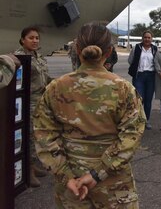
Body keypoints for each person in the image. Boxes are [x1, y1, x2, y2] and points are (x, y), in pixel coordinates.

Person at [33, 23, 145, 208]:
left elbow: (43, 134)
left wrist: (66, 176)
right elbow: (131, 136)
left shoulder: (56, 87)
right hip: (113, 183)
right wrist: (97, 174)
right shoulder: (123, 88)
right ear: (109, 52)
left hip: (72, 184)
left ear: (77, 50)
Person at [15, 26, 52, 187]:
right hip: (28, 102)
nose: (35, 40)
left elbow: (45, 77)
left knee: (38, 135)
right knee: (29, 135)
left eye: (37, 38)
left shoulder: (39, 56)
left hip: (41, 101)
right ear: (23, 40)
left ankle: (33, 165)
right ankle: (27, 170)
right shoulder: (19, 57)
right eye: (31, 38)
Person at [128, 30, 158, 130]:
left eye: (149, 38)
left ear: (152, 39)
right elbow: (130, 60)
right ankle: (137, 120)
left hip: (151, 76)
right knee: (139, 99)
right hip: (139, 76)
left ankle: (146, 121)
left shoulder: (155, 49)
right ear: (142, 38)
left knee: (148, 100)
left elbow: (157, 62)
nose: (147, 39)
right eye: (145, 37)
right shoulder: (137, 47)